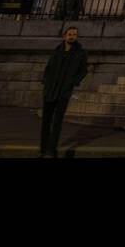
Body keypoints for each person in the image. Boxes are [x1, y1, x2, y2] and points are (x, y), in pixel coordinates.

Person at [40, 25, 88, 157]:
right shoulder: (57, 50)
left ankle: (51, 149)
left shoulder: (80, 53)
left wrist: (73, 83)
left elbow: (83, 70)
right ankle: (43, 148)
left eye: (74, 35)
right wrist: (46, 83)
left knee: (57, 121)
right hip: (50, 89)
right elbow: (48, 68)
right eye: (70, 34)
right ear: (65, 36)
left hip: (64, 91)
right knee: (46, 121)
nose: (72, 36)